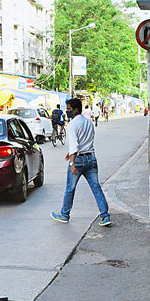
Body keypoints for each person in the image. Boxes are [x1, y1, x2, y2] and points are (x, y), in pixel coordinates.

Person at [51, 97, 111, 227]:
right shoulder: (88, 122)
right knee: (96, 187)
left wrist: (72, 162)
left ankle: (64, 214)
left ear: (75, 109)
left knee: (70, 188)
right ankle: (105, 216)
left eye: (68, 109)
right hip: (91, 158)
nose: (67, 112)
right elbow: (84, 141)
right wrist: (72, 153)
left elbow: (74, 144)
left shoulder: (72, 124)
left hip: (78, 160)